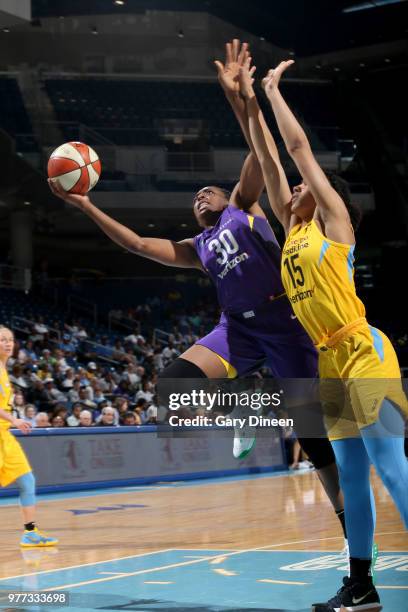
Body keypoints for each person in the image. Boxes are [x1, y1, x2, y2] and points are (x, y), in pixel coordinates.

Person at [47, 40, 347, 546]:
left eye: (207, 189)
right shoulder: (198, 245)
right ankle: (249, 405)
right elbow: (140, 244)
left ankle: (346, 521)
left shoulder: (245, 208)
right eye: (194, 198)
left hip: (287, 324)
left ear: (227, 195)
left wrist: (240, 97)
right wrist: (85, 207)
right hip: (238, 329)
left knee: (315, 440)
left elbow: (260, 149)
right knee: (175, 393)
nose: (199, 195)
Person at [238, 56, 408, 611]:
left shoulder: (334, 221)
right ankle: (362, 586)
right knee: (352, 479)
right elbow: (266, 153)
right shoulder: (292, 230)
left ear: (322, 192)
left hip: (364, 350)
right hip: (329, 364)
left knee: (389, 464)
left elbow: (296, 150)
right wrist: (243, 99)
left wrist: (271, 89)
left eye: (302, 186)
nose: (292, 189)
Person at [0, 327, 58, 547]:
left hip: (4, 435)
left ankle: (30, 532)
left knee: (27, 480)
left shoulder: (4, 370)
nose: (8, 344)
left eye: (11, 340)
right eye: (2, 340)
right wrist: (14, 420)